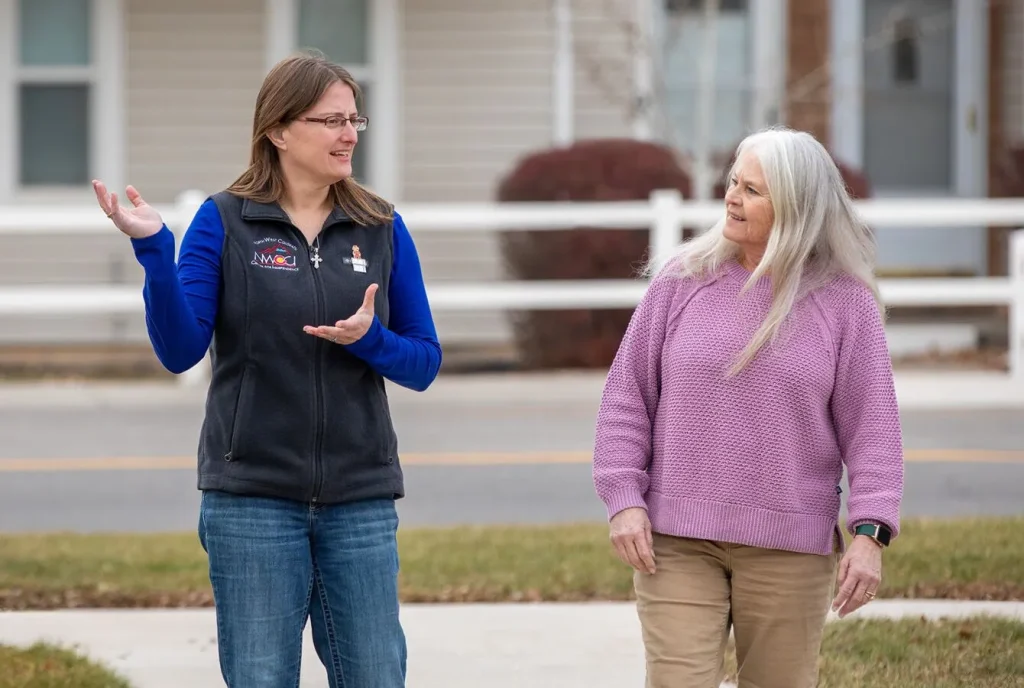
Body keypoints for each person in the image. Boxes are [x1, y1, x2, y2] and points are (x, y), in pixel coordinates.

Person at [92, 52, 442, 687]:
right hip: (251, 500)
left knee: (377, 677)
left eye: (354, 119)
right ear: (279, 130)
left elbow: (423, 362)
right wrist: (153, 253)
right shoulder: (224, 221)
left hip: (360, 499)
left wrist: (371, 340)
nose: (349, 134)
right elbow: (180, 350)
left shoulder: (381, 227)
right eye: (331, 119)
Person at [592, 126, 904, 688]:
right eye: (734, 182)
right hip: (677, 542)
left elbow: (874, 428)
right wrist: (622, 499)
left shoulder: (844, 301)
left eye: (754, 190)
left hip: (790, 547)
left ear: (798, 204)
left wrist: (870, 534)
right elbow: (626, 398)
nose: (732, 197)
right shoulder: (682, 279)